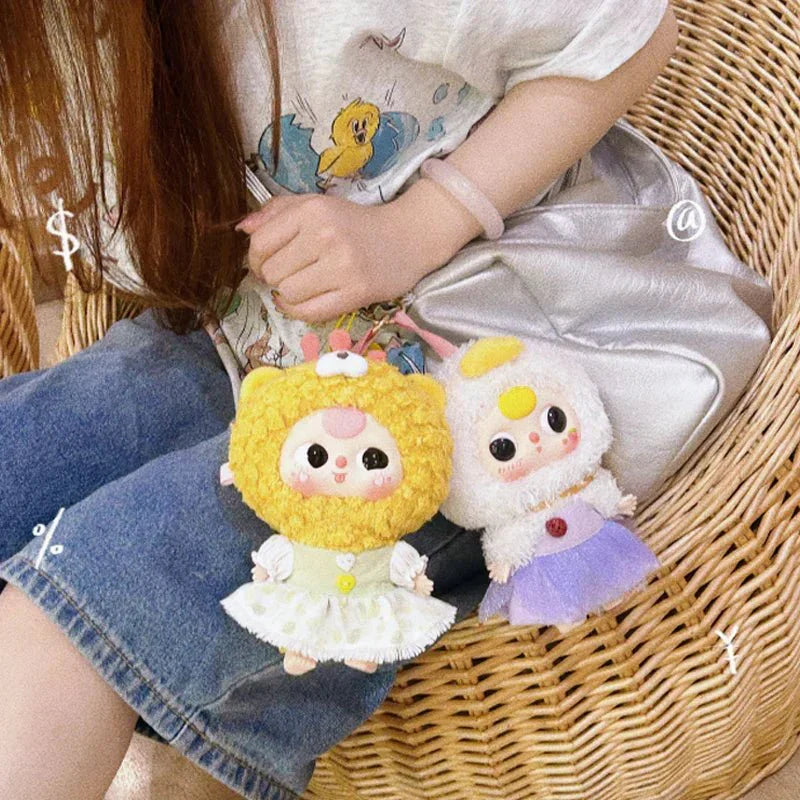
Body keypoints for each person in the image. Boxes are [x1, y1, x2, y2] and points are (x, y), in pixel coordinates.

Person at [0, 2, 691, 798]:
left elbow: (630, 31)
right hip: (249, 338)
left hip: (459, 374)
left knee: (76, 613)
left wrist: (419, 224)